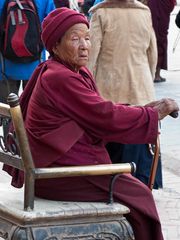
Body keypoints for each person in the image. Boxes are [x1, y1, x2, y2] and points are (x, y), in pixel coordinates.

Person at [3, 7, 179, 240]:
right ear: (55, 45)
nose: (84, 45)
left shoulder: (71, 71)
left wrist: (146, 110)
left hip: (61, 165)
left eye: (87, 38)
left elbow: (98, 111)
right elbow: (105, 116)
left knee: (130, 181)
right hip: (56, 174)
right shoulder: (59, 76)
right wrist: (152, 114)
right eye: (75, 39)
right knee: (140, 195)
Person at [88, 0, 162, 188]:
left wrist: (88, 87)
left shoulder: (101, 13)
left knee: (113, 144)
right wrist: (148, 79)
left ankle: (113, 185)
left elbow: (91, 56)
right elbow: (152, 53)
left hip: (109, 88)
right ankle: (142, 183)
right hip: (141, 87)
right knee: (140, 140)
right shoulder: (144, 12)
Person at [0, 0, 55, 103]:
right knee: (33, 109)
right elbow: (52, 24)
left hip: (5, 67)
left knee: (6, 111)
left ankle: (6, 119)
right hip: (35, 65)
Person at [148, 0, 176, 83]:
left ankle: (152, 74)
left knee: (152, 40)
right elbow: (171, 3)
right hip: (158, 8)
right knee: (160, 41)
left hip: (152, 7)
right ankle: (156, 75)